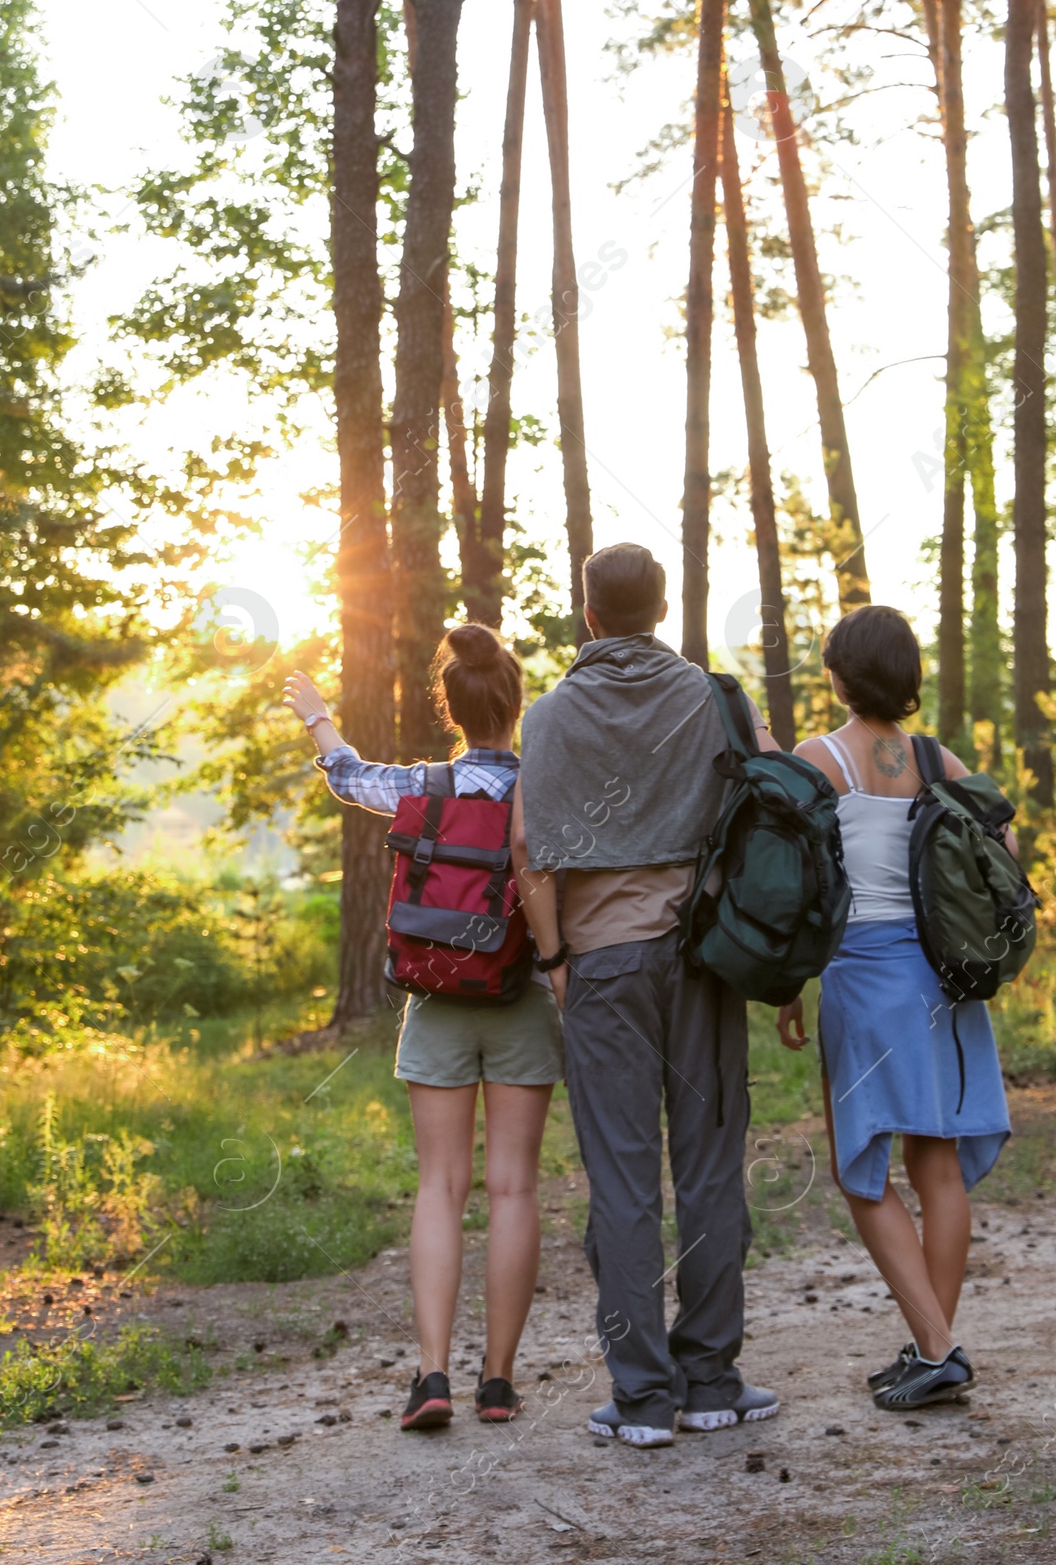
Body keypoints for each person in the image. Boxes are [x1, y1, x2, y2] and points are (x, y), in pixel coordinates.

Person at [510, 541, 780, 1449]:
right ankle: (711, 1380)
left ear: (588, 614)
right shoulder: (715, 699)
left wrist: (555, 961)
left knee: (622, 1179)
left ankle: (640, 1399)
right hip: (704, 959)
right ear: (661, 610)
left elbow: (530, 855)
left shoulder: (549, 718)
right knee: (708, 1167)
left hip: (602, 966)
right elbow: (781, 790)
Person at [284, 623, 561, 1435]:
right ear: (516, 705)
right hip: (522, 999)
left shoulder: (421, 786)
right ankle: (500, 1383)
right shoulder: (542, 790)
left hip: (435, 999)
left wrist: (317, 714)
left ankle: (432, 1375)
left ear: (451, 706)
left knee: (441, 1187)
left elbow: (345, 773)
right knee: (513, 1187)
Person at [777, 603, 1014, 1411]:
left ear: (842, 675)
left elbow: (797, 885)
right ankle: (929, 1350)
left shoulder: (823, 758)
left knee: (861, 1171)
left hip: (865, 980)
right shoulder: (933, 757)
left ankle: (939, 1348)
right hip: (942, 979)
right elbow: (1005, 851)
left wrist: (786, 983)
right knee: (935, 1164)